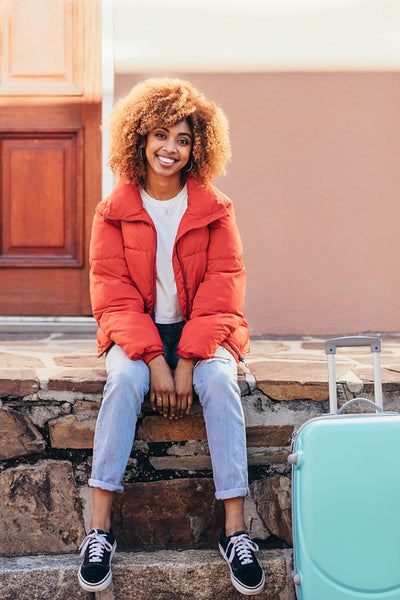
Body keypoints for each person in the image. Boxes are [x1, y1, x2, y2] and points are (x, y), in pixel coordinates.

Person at [77, 78, 265, 596]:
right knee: (123, 383)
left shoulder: (215, 209)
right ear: (139, 139)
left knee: (221, 385)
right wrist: (155, 360)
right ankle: (99, 529)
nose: (170, 148)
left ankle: (236, 530)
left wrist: (186, 360)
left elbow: (222, 292)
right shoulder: (112, 211)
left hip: (202, 332)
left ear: (197, 147)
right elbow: (113, 296)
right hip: (137, 331)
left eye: (182, 139)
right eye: (160, 135)